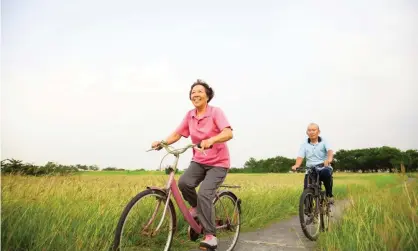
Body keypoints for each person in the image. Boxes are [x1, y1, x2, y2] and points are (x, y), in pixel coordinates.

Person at [151, 79, 233, 250]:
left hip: (218, 163)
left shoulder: (215, 112)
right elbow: (178, 133)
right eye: (193, 92)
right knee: (184, 183)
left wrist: (212, 139)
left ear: (207, 96)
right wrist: (163, 142)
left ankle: (210, 235)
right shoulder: (190, 115)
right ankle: (197, 208)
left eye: (200, 91)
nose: (196, 94)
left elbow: (228, 133)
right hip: (199, 160)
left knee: (205, 192)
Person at [291, 123, 334, 205]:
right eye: (309, 130)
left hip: (323, 167)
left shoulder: (324, 141)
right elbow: (300, 156)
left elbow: (330, 151)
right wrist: (297, 165)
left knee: (326, 173)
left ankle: (329, 195)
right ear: (307, 132)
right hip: (310, 169)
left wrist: (328, 160)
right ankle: (309, 211)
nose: (311, 132)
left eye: (314, 130)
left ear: (318, 132)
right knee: (306, 191)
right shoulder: (304, 143)